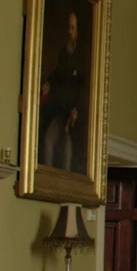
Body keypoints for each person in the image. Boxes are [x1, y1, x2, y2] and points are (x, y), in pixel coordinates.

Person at [39, 10, 89, 171]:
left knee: (67, 148)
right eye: (69, 27)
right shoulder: (63, 52)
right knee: (48, 139)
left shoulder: (83, 56)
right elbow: (57, 75)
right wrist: (48, 84)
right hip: (59, 109)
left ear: (78, 30)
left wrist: (76, 110)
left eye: (73, 28)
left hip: (73, 113)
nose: (69, 31)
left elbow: (84, 88)